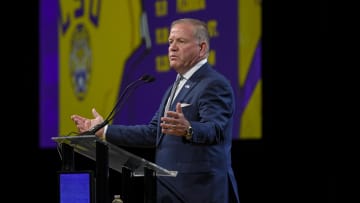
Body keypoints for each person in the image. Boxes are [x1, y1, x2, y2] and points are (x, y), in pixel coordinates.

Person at [71, 18, 240, 203]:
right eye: (170, 42)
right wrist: (104, 130)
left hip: (200, 192)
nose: (172, 47)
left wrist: (189, 129)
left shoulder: (214, 84)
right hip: (167, 192)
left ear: (201, 48)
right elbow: (153, 132)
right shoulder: (173, 88)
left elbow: (215, 129)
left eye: (181, 41)